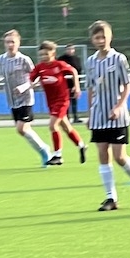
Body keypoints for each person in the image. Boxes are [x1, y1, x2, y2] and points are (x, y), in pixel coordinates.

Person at [85, 20, 130, 211]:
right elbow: (90, 89)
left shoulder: (119, 58)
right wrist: (89, 113)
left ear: (110, 37)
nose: (100, 40)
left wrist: (119, 106)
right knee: (103, 154)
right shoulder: (90, 62)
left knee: (119, 156)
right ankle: (110, 198)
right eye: (97, 37)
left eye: (103, 37)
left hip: (117, 116)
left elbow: (127, 85)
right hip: (99, 115)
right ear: (92, 39)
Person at [0, 30, 51, 166]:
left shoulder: (24, 59)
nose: (10, 45)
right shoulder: (0, 59)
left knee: (21, 128)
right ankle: (44, 149)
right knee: (24, 130)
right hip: (12, 100)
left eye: (12, 42)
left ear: (18, 43)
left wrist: (23, 87)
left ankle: (44, 151)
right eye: (7, 42)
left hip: (26, 98)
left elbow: (36, 78)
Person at [30, 39, 85, 167]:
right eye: (41, 55)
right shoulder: (40, 67)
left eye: (46, 54)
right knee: (66, 127)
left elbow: (73, 71)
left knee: (53, 126)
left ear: (53, 53)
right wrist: (31, 84)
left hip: (62, 100)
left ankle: (58, 155)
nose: (43, 57)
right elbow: (31, 78)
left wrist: (76, 87)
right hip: (51, 102)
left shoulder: (59, 65)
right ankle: (81, 145)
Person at [58, 44, 84, 122]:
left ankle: (75, 117)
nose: (70, 50)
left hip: (74, 84)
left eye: (72, 49)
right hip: (64, 84)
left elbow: (79, 71)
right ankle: (66, 118)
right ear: (65, 50)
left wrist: (76, 85)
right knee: (65, 102)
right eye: (68, 49)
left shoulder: (77, 59)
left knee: (74, 102)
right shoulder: (61, 59)